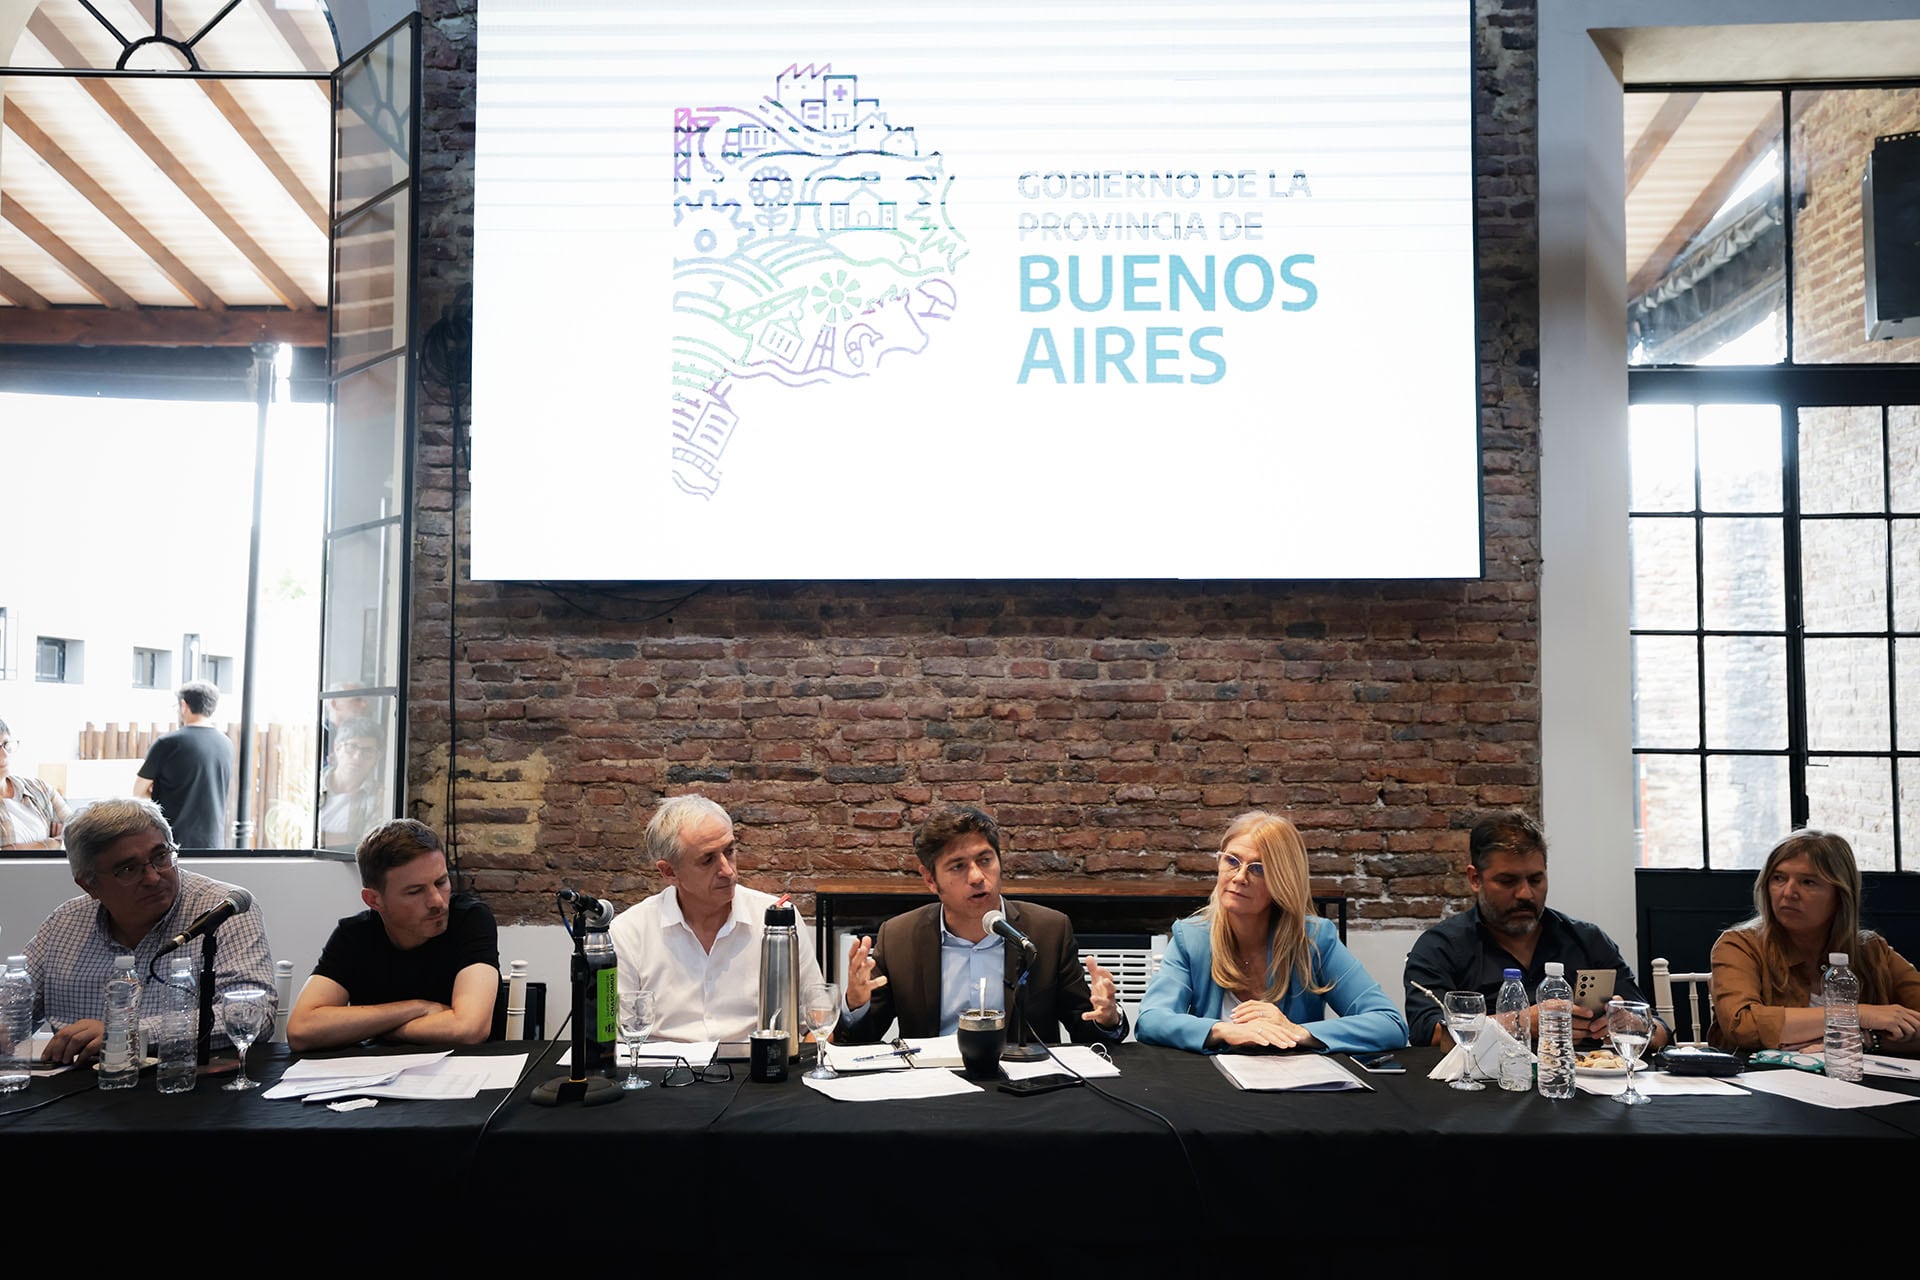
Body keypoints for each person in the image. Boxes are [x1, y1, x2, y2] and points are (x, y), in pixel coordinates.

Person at [835, 804, 1125, 1045]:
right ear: (930, 879)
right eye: (958, 866)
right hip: (935, 1085)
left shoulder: (1048, 931)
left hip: (1024, 1085)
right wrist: (855, 1004)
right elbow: (860, 1040)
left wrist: (1108, 1017)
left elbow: (1086, 1027)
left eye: (985, 860)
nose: (976, 877)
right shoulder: (899, 937)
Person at [24, 798, 273, 1065]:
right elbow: (13, 1009)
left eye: (160, 857)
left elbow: (253, 1013)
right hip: (76, 1084)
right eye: (128, 869)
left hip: (185, 1082)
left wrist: (130, 1033)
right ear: (89, 885)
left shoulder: (221, 911)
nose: (153, 878)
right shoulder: (64, 924)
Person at [1138, 811, 1407, 1053]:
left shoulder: (1314, 939)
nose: (1239, 877)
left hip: (1298, 1084)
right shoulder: (1191, 938)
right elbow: (1151, 1020)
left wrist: (1297, 1032)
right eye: (1232, 861)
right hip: (1212, 1084)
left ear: (1283, 881)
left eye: (1258, 869)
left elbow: (1389, 1023)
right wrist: (1223, 1031)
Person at [1401, 811, 1668, 1050]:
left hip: (1584, 1081)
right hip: (1486, 1083)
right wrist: (1519, 1022)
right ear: (1475, 879)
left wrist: (1628, 1024)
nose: (1525, 894)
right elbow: (1428, 1032)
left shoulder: (1588, 940)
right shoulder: (1442, 946)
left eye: (1536, 879)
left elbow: (1660, 1031)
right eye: (1508, 881)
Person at [609, 794, 826, 1042]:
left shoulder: (779, 920)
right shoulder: (629, 933)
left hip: (758, 1063)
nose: (727, 870)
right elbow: (617, 1039)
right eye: (708, 860)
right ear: (669, 872)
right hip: (663, 1065)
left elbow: (817, 1023)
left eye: (729, 851)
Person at [287, 819, 499, 1051]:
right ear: (374, 900)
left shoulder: (470, 919)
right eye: (415, 891)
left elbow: (468, 1029)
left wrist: (370, 1030)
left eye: (441, 882)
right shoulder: (354, 935)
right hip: (376, 1071)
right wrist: (418, 1008)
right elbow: (301, 1030)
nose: (437, 901)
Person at [1709, 829, 1920, 1053]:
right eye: (1778, 878)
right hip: (1764, 1074)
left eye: (1808, 882)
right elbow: (1743, 1025)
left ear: (1840, 895)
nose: (1788, 892)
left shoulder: (1872, 950)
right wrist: (1858, 1015)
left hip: (1855, 1074)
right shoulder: (1740, 946)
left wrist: (1866, 1039)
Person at [135, 680, 233, 849]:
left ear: (183, 705)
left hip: (173, 843)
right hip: (213, 845)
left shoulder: (168, 743)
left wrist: (156, 793)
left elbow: (138, 792)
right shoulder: (226, 744)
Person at [0, 718, 70, 850]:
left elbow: (78, 832)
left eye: (5, 744)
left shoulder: (39, 788)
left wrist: (16, 849)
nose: (4, 754)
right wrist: (52, 843)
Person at [318, 718, 384, 850]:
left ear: (377, 757)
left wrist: (320, 836)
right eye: (352, 747)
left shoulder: (380, 797)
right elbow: (292, 830)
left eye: (368, 751)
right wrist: (346, 838)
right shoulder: (310, 783)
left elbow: (367, 846)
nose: (357, 757)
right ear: (337, 748)